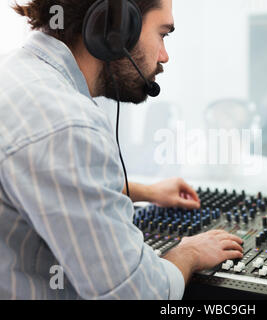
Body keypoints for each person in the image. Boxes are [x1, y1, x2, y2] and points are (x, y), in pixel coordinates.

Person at [0, 0, 243, 300]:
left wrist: (147, 192)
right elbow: (137, 294)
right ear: (116, 28)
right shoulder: (66, 123)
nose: (165, 56)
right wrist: (189, 252)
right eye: (163, 34)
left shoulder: (15, 75)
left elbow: (51, 184)